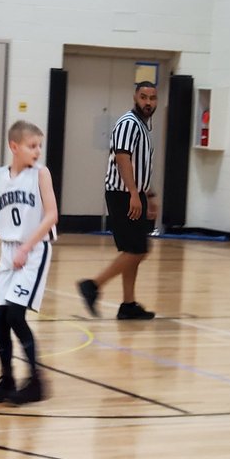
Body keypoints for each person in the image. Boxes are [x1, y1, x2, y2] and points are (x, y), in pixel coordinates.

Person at [0, 120, 58, 405]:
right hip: (9, 251)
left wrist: (27, 247)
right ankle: (7, 379)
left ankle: (36, 382)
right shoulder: (0, 176)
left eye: (39, 146)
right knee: (0, 318)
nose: (37, 151)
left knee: (15, 315)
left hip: (34, 251)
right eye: (32, 146)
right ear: (14, 146)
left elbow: (52, 215)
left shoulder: (41, 174)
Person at [77, 80, 159, 320]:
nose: (148, 102)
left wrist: (149, 194)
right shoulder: (128, 123)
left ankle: (128, 305)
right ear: (135, 97)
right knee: (136, 249)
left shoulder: (143, 126)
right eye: (143, 97)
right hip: (122, 194)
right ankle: (93, 285)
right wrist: (134, 193)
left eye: (152, 98)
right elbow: (123, 158)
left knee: (136, 249)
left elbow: (141, 166)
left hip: (134, 194)